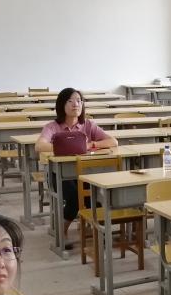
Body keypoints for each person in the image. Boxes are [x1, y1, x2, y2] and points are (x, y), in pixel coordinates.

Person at [35, 88, 118, 248]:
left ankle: (98, 231)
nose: (76, 104)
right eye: (71, 101)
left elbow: (113, 142)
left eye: (79, 101)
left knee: (94, 195)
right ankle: (62, 231)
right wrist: (67, 147)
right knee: (75, 196)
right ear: (62, 104)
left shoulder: (88, 125)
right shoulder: (53, 127)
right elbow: (39, 146)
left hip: (84, 172)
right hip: (58, 174)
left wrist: (90, 144)